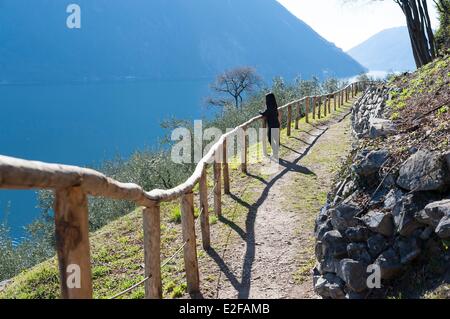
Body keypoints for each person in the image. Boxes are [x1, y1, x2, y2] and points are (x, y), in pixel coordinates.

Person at [260, 93, 280, 158]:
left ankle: (275, 152)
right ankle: (276, 151)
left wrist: (259, 111)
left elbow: (264, 113)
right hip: (276, 123)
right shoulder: (274, 106)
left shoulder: (269, 108)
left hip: (272, 125)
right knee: (275, 138)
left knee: (270, 138)